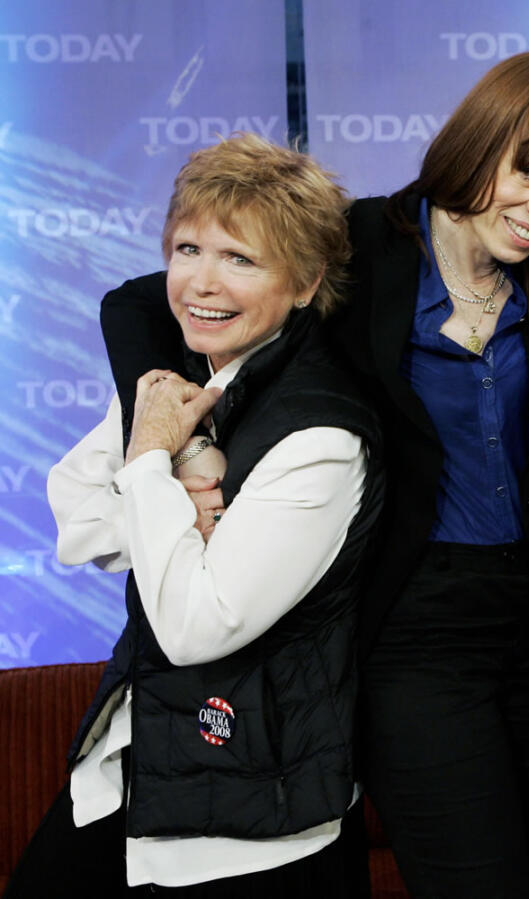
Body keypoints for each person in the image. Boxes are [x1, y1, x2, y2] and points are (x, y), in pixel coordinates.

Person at [94, 52, 529, 898]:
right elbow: (145, 303)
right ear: (476, 142)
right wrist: (181, 438)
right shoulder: (366, 243)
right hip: (410, 631)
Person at [6, 133, 383, 897]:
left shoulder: (321, 435)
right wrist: (174, 493)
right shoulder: (183, 371)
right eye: (186, 248)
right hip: (136, 761)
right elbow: (78, 519)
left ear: (307, 283)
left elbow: (193, 626)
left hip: (255, 817)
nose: (200, 282)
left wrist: (146, 460)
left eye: (241, 258)